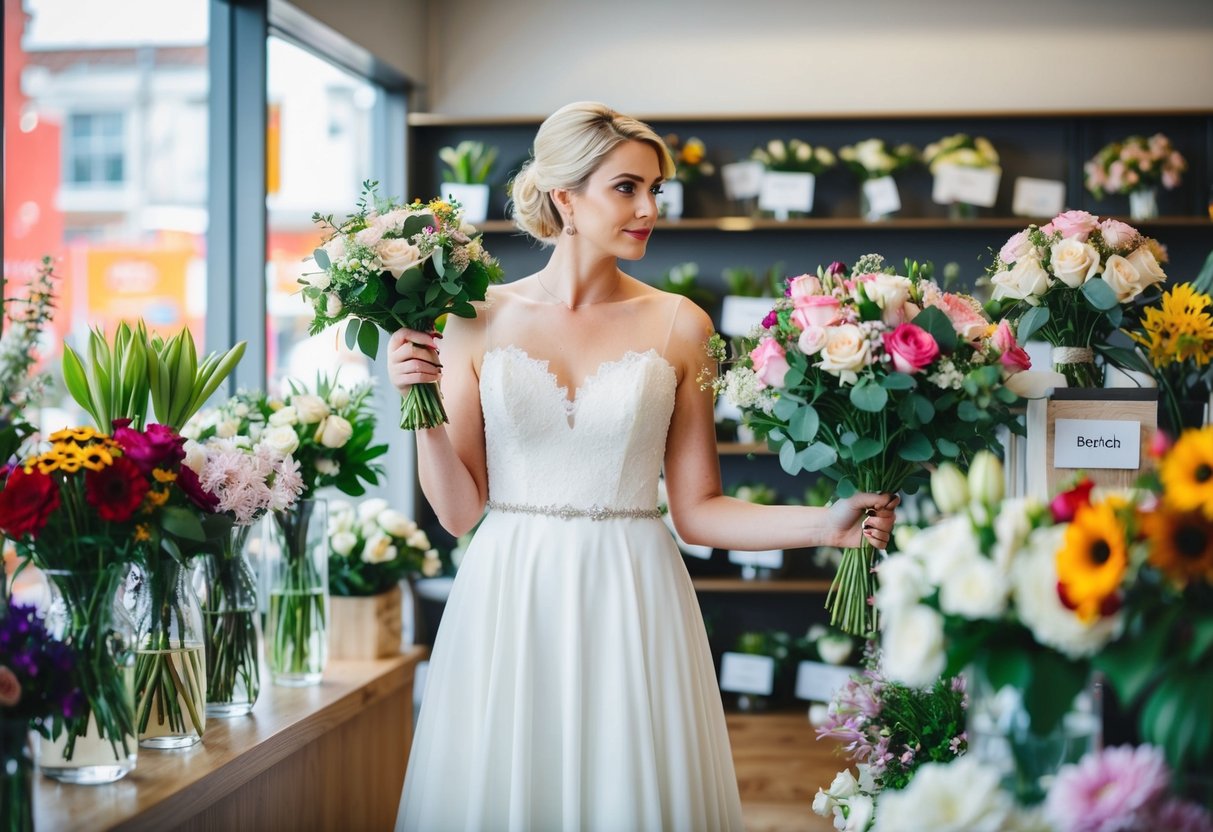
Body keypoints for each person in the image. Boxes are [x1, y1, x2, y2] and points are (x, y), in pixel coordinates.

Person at [389, 101, 898, 832]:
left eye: (655, 189)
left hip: (632, 588)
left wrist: (826, 523)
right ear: (565, 197)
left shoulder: (679, 323)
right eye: (626, 187)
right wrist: (421, 406)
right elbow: (460, 512)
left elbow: (698, 510)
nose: (649, 207)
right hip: (509, 588)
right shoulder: (475, 316)